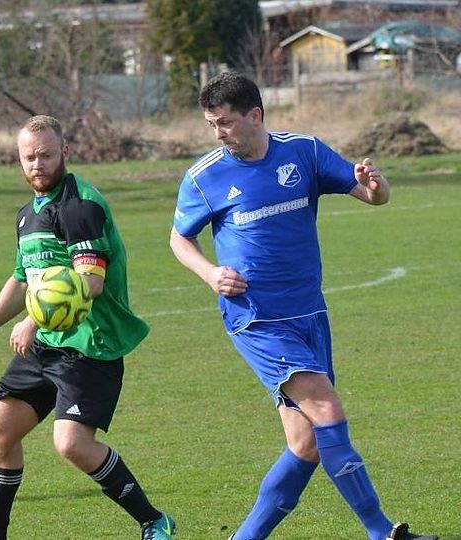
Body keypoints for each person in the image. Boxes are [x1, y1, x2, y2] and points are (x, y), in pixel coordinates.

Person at [169, 72, 437, 540]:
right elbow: (179, 239)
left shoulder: (305, 152)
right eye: (211, 124)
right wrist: (210, 273)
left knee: (307, 442)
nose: (218, 134)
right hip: (257, 319)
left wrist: (377, 186)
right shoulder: (204, 176)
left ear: (255, 115)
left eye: (225, 122)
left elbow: (372, 196)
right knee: (327, 411)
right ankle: (381, 531)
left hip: (309, 313)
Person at [0, 115, 176, 540]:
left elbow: (90, 281)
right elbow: (22, 280)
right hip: (47, 343)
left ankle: (154, 521)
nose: (37, 164)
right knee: (0, 430)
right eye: (29, 157)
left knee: (71, 443)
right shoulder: (28, 214)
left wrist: (33, 320)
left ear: (65, 153)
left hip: (91, 344)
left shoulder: (80, 206)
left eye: (46, 155)